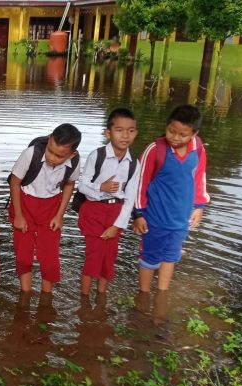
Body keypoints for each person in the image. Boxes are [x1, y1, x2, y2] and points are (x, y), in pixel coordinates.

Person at [132, 104, 210, 296]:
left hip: (181, 219)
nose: (175, 137)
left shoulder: (198, 148)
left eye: (182, 134)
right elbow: (139, 184)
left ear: (194, 133)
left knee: (171, 256)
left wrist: (199, 206)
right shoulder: (155, 149)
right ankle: (143, 296)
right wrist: (138, 214)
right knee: (149, 258)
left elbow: (200, 178)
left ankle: (162, 294)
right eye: (171, 131)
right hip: (155, 219)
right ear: (167, 126)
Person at [9, 124, 82, 293]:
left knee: (50, 256)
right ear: (49, 139)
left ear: (72, 154)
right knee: (23, 254)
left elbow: (69, 184)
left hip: (51, 208)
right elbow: (15, 182)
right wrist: (18, 215)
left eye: (59, 156)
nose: (52, 158)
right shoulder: (31, 154)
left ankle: (46, 295)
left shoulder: (74, 161)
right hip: (24, 205)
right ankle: (25, 293)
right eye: (50, 151)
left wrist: (60, 215)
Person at [77, 108, 140, 297]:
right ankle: (84, 299)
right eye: (119, 130)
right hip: (93, 211)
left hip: (116, 212)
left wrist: (117, 226)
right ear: (108, 133)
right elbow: (82, 186)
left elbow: (129, 199)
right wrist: (101, 188)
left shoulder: (134, 163)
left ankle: (101, 296)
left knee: (109, 257)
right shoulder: (97, 156)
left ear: (136, 133)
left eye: (130, 131)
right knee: (94, 255)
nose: (125, 136)